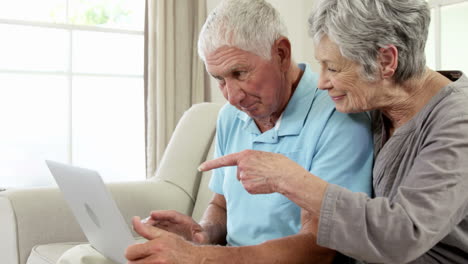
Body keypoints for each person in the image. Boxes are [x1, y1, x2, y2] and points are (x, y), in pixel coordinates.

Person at [199, 0, 468, 263]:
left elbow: (402, 236)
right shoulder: (374, 107)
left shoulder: (459, 122)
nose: (322, 82)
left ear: (386, 61)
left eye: (333, 68)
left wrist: (287, 178)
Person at [124, 0, 373, 263]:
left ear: (281, 53)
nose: (231, 97)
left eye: (239, 73)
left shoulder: (339, 115)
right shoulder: (231, 117)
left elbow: (318, 249)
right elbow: (221, 205)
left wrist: (201, 257)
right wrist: (201, 234)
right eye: (219, 79)